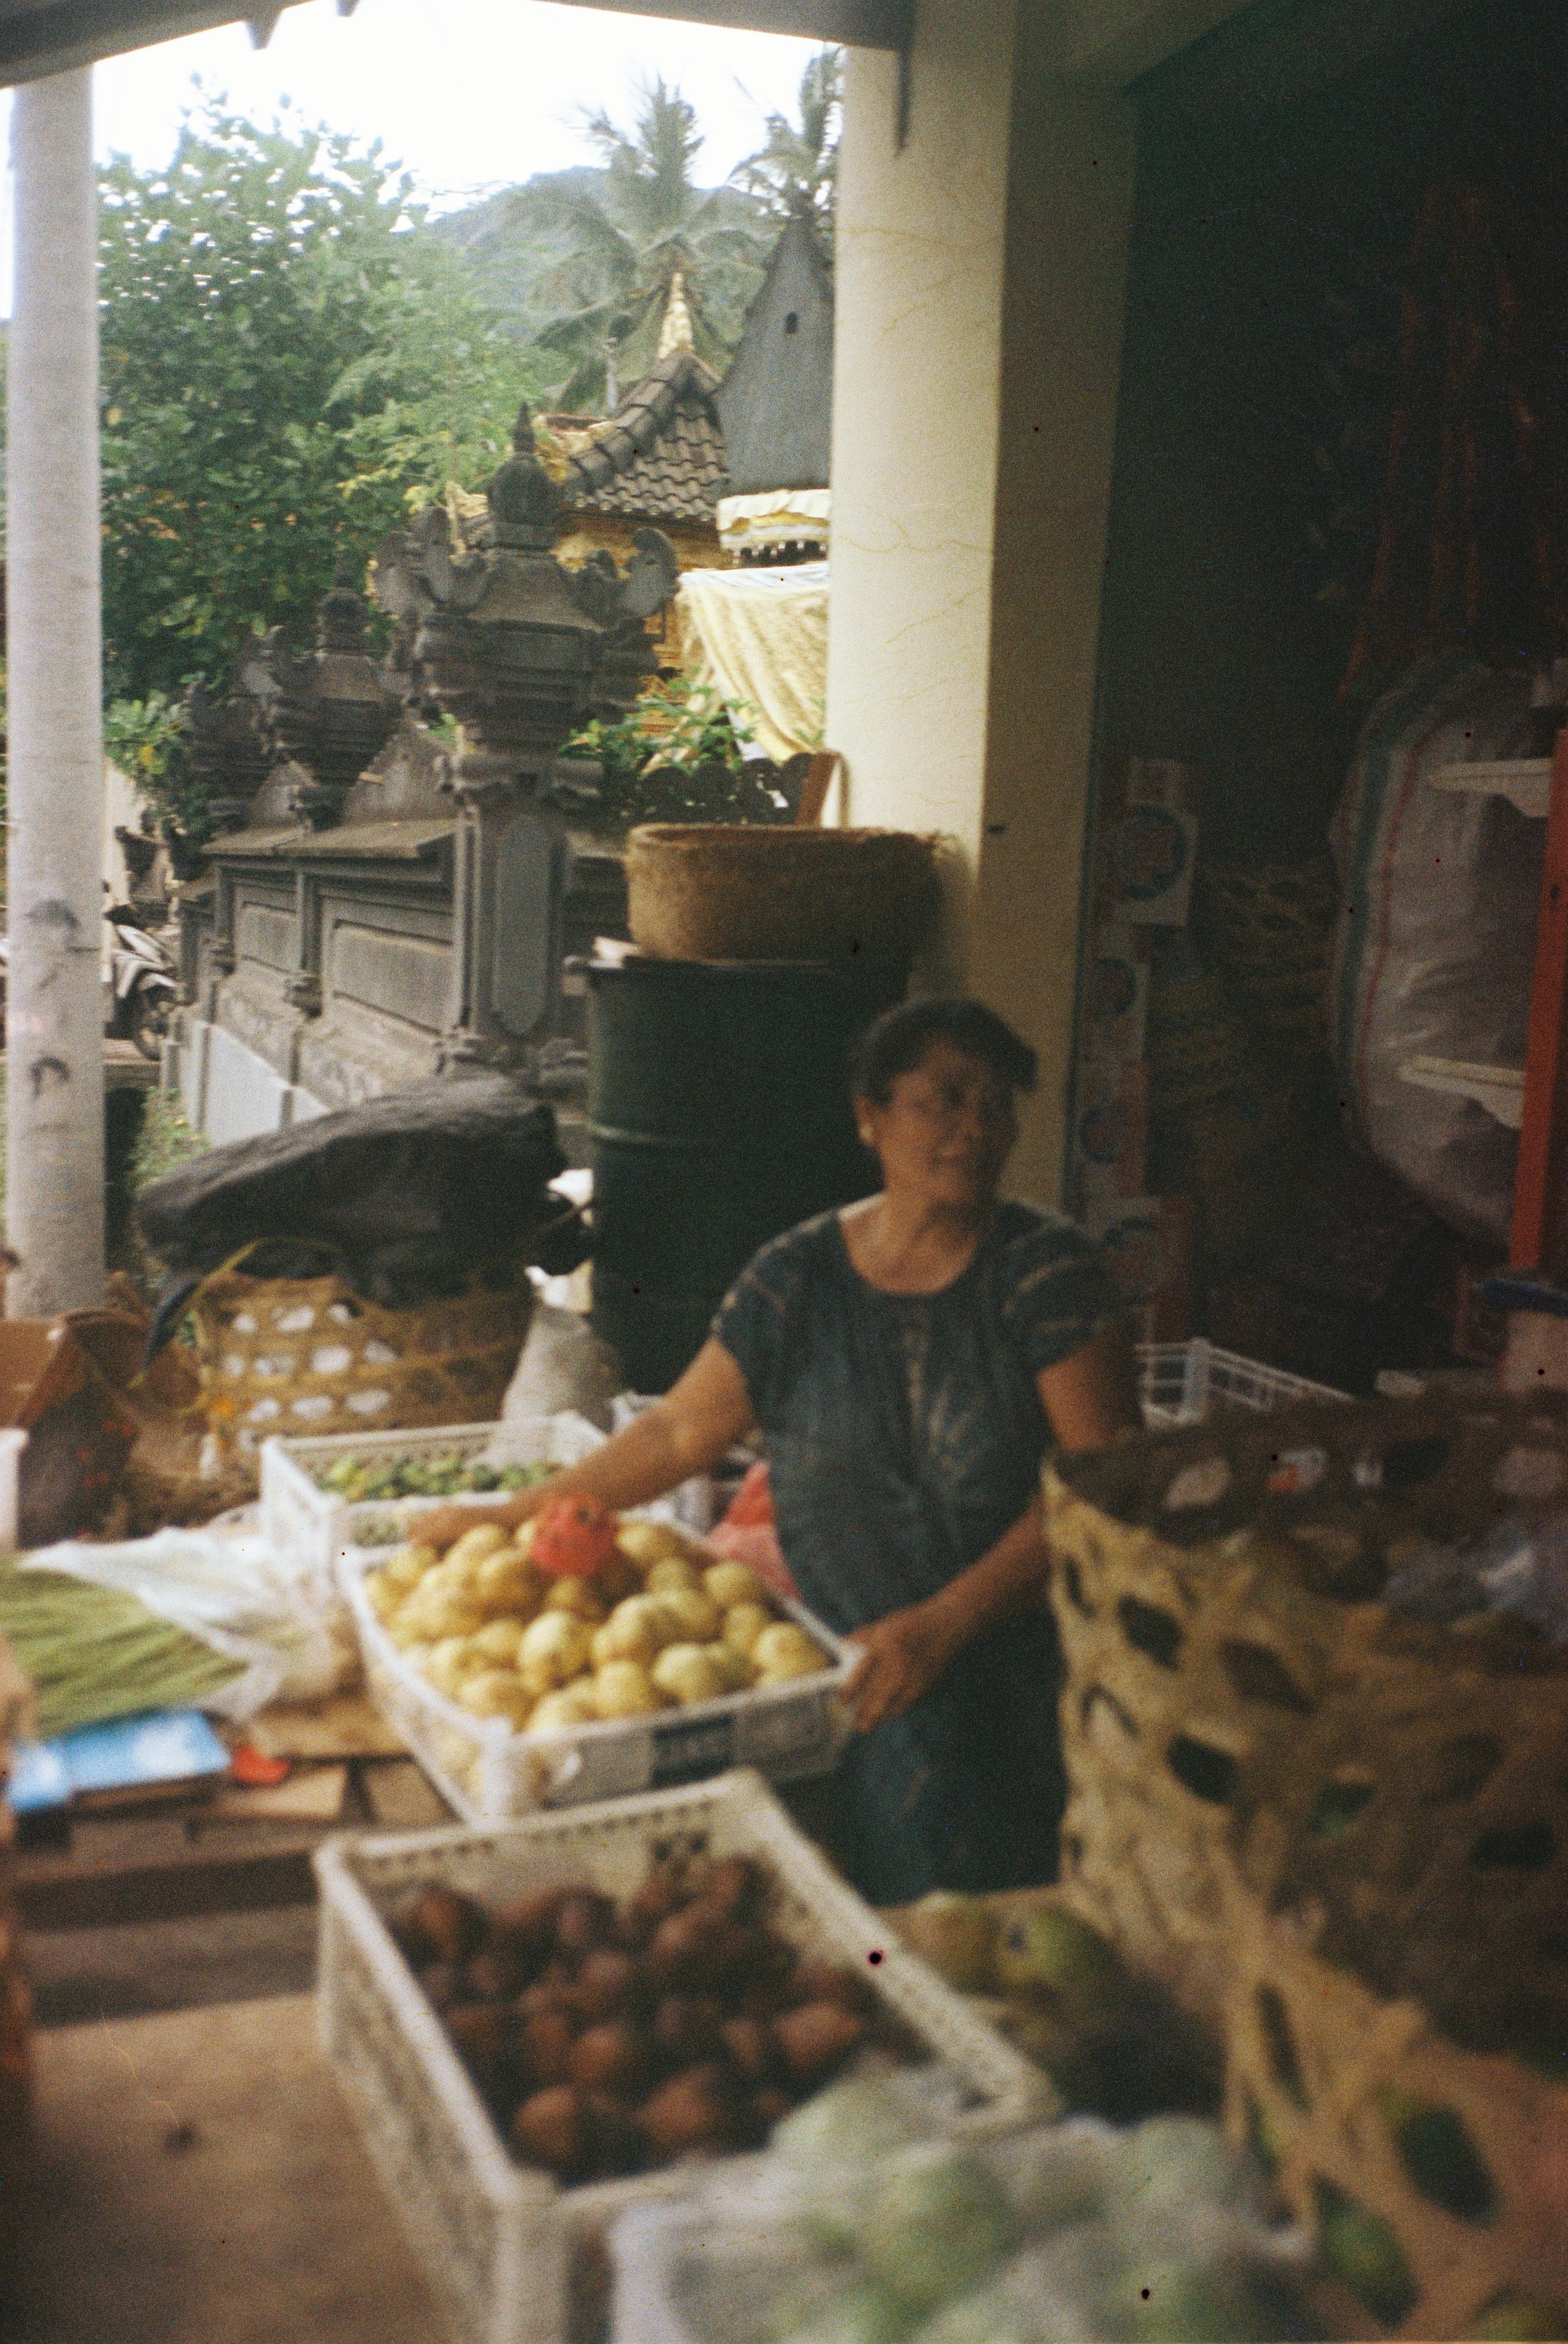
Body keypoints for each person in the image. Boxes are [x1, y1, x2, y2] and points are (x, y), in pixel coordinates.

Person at [420, 998, 1139, 1902]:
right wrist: (511, 1514)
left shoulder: (1047, 1274)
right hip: (833, 1668)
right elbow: (679, 1430)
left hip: (1015, 1669)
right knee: (863, 1915)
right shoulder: (797, 1276)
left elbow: (1099, 1489)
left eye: (995, 1105)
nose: (973, 1128)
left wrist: (944, 1624)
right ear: (868, 1114)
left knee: (988, 1922)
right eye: (943, 1100)